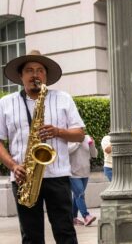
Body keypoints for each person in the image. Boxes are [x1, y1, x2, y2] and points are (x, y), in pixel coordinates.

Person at [0, 50, 85, 243]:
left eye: (40, 70)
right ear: (21, 76)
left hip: (58, 175)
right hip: (24, 177)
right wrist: (13, 166)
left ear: (46, 76)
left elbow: (79, 135)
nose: (35, 75)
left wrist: (58, 131)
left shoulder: (63, 98)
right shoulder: (6, 103)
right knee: (31, 236)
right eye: (29, 70)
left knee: (65, 232)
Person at [68, 134, 98, 226]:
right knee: (80, 194)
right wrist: (78, 142)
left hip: (85, 172)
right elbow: (67, 152)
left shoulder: (87, 138)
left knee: (77, 196)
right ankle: (86, 216)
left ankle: (73, 218)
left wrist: (92, 144)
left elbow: (94, 155)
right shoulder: (68, 139)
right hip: (73, 173)